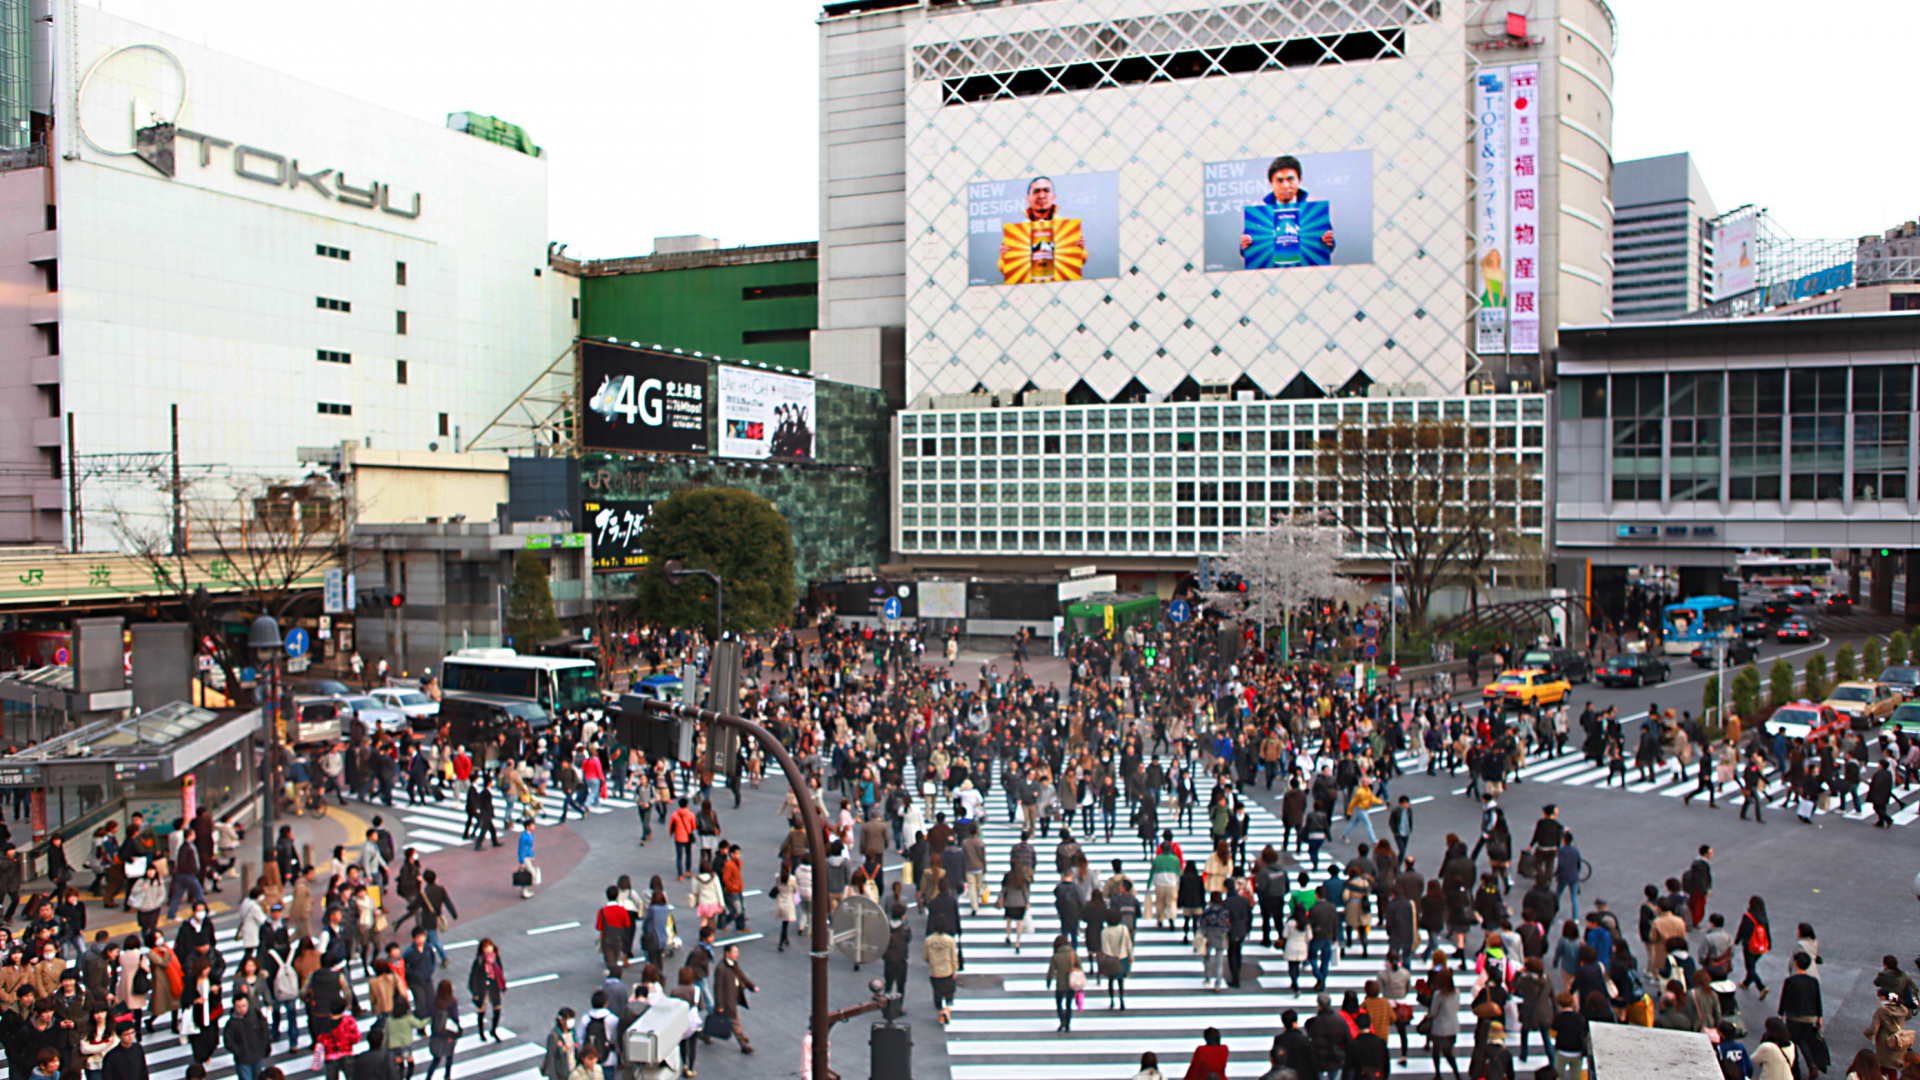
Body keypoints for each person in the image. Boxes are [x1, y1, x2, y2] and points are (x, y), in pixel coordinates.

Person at [1778, 952, 1826, 1076]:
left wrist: (1781, 1014)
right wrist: (1819, 1017)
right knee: (1804, 1041)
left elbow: (1785, 998)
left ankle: (1795, 1068)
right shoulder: (1813, 981)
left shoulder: (1790, 981)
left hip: (1793, 1016)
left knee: (1792, 1042)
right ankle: (1811, 1064)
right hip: (1809, 1017)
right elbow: (1817, 999)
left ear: (1796, 963)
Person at [712, 943, 757, 1053]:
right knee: (734, 1020)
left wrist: (751, 986)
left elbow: (741, 975)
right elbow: (718, 987)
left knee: (719, 1018)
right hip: (727, 999)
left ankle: (704, 1033)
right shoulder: (721, 968)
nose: (737, 954)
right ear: (727, 954)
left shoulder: (733, 964)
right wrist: (720, 1005)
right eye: (735, 952)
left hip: (734, 995)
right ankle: (742, 1042)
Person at [223, 994, 271, 1080]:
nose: (242, 1009)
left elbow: (265, 1030)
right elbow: (228, 1041)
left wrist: (262, 1045)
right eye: (239, 1007)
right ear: (234, 1007)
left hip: (257, 1055)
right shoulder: (231, 1023)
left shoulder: (256, 1014)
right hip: (243, 1059)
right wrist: (238, 1052)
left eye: (244, 1006)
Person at [467, 940, 505, 1042]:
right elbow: (473, 977)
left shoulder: (496, 959)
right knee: (481, 1011)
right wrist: (475, 993)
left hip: (494, 987)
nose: (488, 949)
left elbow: (500, 972)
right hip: (482, 989)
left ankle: (493, 1030)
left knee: (497, 1009)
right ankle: (481, 1032)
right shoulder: (479, 961)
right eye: (486, 947)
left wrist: (502, 986)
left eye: (490, 947)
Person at [924, 923, 959, 1026]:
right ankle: (947, 1009)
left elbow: (925, 957)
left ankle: (940, 1012)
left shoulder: (929, 940)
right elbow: (953, 957)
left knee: (937, 991)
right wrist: (955, 969)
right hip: (947, 969)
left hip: (935, 970)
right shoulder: (949, 940)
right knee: (949, 990)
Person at [1045, 934, 1081, 1033]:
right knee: (1069, 1004)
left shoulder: (1055, 956)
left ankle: (1062, 1021)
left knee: (1059, 1004)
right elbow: (1079, 967)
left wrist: (1048, 981)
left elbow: (1051, 971)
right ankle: (1068, 1024)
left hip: (1060, 984)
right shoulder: (1073, 954)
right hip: (1072, 983)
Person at [426, 982, 459, 1080]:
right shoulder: (452, 1003)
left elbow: (430, 1014)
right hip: (448, 1033)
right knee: (449, 1055)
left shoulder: (434, 1002)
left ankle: (429, 1077)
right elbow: (455, 1018)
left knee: (436, 1058)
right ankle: (447, 1075)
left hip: (436, 1033)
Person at [542, 1008, 576, 1080]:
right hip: (561, 1075)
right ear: (561, 1020)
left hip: (574, 1073)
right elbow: (551, 1058)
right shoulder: (554, 1036)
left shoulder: (573, 1033)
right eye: (569, 1019)